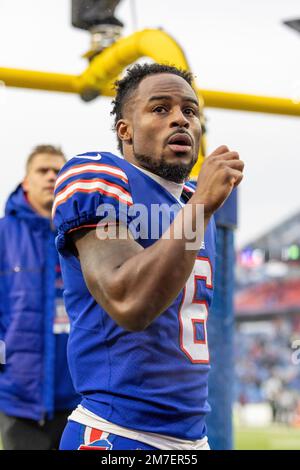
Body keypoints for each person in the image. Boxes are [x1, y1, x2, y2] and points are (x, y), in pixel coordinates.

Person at [53, 63, 244, 451]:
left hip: (192, 439)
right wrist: (202, 207)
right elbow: (130, 302)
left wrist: (199, 207)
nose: (180, 119)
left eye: (190, 111)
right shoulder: (101, 173)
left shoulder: (194, 204)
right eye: (160, 109)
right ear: (126, 130)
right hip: (117, 435)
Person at [0, 145, 80, 450]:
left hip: (78, 400)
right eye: (42, 170)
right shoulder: (3, 235)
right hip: (19, 402)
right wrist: (7, 366)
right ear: (26, 182)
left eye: (58, 171)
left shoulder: (84, 235)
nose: (51, 177)